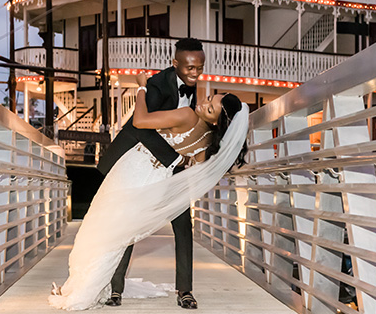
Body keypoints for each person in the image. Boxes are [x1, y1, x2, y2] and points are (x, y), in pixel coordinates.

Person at [48, 75, 249, 310]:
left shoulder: (188, 115)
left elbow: (140, 120)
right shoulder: (209, 144)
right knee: (119, 232)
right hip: (157, 182)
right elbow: (192, 168)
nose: (204, 103)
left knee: (101, 226)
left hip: (134, 168)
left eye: (211, 108)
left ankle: (83, 288)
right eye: (209, 99)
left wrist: (141, 87)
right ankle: (93, 286)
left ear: (217, 122)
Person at [99, 38, 206, 309]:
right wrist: (178, 158)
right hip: (138, 160)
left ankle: (185, 291)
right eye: (190, 68)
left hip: (168, 165)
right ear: (175, 63)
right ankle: (115, 289)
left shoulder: (192, 85)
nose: (195, 73)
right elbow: (142, 126)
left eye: (199, 68)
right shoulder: (158, 85)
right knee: (129, 223)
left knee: (183, 224)